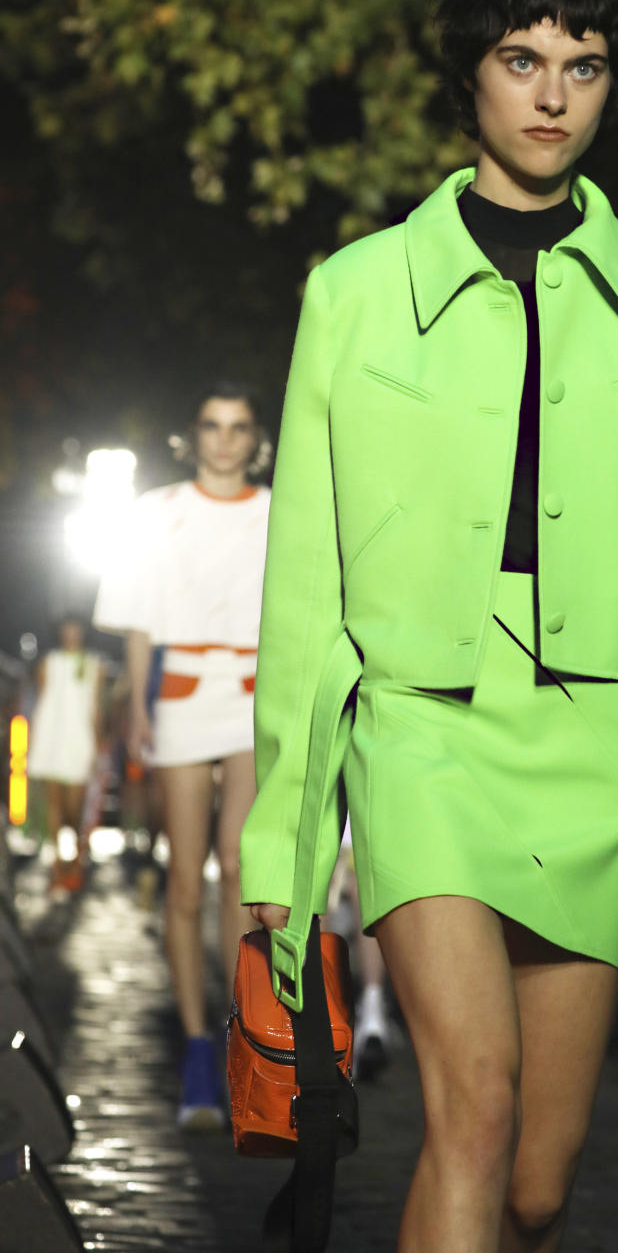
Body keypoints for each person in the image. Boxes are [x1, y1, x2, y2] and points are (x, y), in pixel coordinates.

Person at [241, 0, 618, 1252]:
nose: (553, 95)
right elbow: (306, 576)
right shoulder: (357, 295)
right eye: (521, 59)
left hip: (596, 742)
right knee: (470, 1110)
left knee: (541, 1177)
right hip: (421, 724)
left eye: (583, 65)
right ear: (469, 76)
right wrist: (283, 836)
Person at [94, 382, 271, 1129]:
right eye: (211, 425)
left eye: (236, 426)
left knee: (240, 867)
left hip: (256, 695)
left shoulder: (278, 512)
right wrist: (136, 700)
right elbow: (137, 618)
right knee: (186, 878)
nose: (224, 439)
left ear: (255, 437)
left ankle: (238, 1042)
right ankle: (198, 1045)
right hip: (185, 696)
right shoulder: (156, 513)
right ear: (193, 434)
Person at [27, 615, 105, 893]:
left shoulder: (96, 663)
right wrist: (34, 737)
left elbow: (96, 706)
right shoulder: (49, 662)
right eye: (66, 627)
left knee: (76, 806)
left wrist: (97, 743)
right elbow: (41, 699)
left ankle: (76, 856)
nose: (71, 632)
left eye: (76, 627)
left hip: (79, 738)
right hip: (52, 735)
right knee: (55, 804)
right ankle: (60, 864)